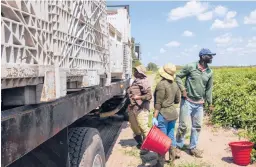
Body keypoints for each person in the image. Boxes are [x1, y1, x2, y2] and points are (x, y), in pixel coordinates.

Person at [175, 48, 215, 158]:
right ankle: (178, 147)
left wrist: (210, 103)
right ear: (202, 56)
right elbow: (178, 76)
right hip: (187, 101)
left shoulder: (209, 72)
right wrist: (183, 89)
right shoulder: (191, 66)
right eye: (209, 56)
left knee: (197, 126)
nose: (212, 58)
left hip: (199, 103)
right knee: (183, 125)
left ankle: (193, 148)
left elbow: (209, 89)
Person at [153, 63, 181, 162]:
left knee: (162, 140)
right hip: (173, 114)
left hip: (163, 114)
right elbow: (177, 100)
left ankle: (160, 163)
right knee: (171, 136)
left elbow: (158, 103)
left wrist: (154, 117)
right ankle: (172, 160)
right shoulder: (175, 84)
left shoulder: (161, 84)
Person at [127, 65, 152, 149]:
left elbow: (149, 96)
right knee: (134, 127)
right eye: (135, 71)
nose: (135, 72)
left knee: (143, 127)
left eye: (137, 71)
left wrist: (139, 97)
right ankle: (141, 143)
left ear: (140, 73)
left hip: (142, 108)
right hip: (133, 108)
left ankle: (151, 146)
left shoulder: (144, 82)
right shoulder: (135, 81)